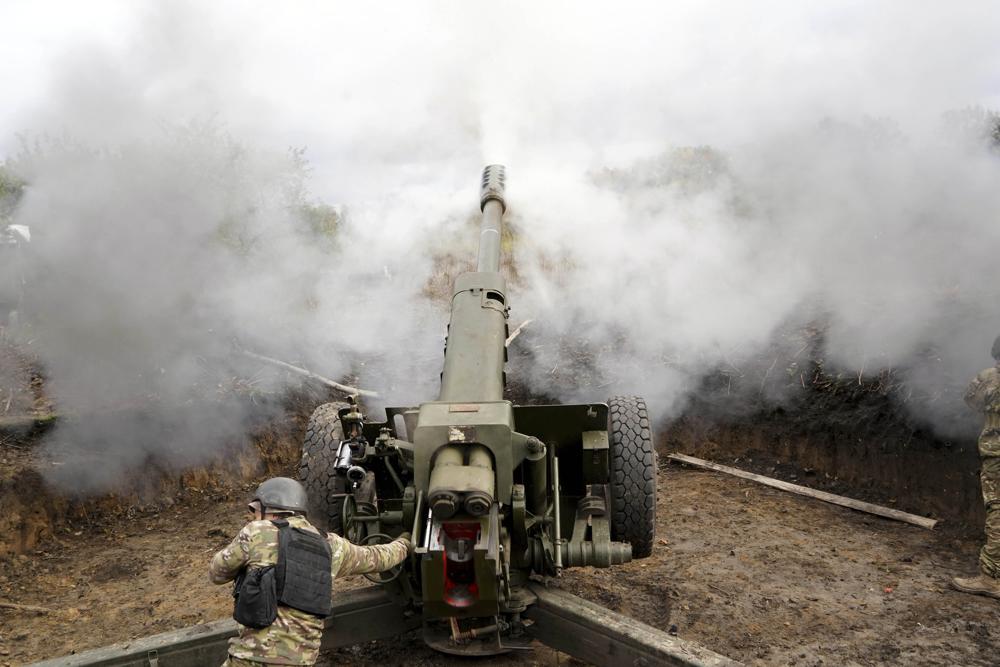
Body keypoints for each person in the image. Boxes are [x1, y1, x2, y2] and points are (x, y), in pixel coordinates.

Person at [210, 477, 412, 666]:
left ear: (268, 508)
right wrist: (405, 542)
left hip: (251, 657)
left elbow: (217, 573)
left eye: (255, 511)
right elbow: (378, 558)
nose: (254, 517)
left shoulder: (256, 532)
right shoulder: (332, 546)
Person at [952, 335, 1000, 599]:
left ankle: (992, 577)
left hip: (998, 457)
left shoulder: (990, 377)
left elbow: (971, 401)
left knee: (997, 510)